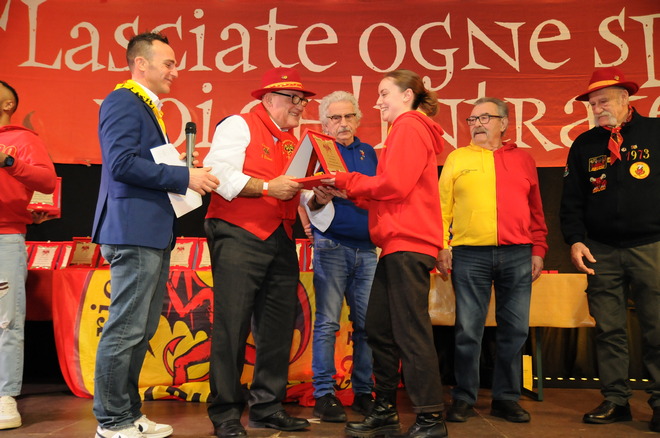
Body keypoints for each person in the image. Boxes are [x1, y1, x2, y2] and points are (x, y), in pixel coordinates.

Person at [91, 32, 219, 438]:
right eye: (168, 63)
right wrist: (184, 176)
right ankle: (111, 421)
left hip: (149, 231)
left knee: (141, 329)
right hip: (133, 229)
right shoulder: (123, 101)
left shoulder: (145, 107)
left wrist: (180, 166)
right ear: (140, 64)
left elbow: (140, 163)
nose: (174, 71)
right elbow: (121, 163)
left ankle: (128, 414)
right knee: (126, 328)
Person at [327, 69, 448, 438]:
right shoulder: (407, 128)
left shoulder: (409, 125)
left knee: (410, 331)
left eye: (384, 93)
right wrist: (350, 191)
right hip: (396, 244)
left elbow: (394, 185)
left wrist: (345, 180)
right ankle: (384, 410)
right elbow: (395, 191)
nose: (377, 102)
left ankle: (431, 417)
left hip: (409, 243)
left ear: (407, 95)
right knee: (379, 328)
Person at [203, 67, 312, 438]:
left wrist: (317, 196)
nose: (299, 106)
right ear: (268, 99)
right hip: (238, 233)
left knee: (278, 326)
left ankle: (267, 406)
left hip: (281, 236)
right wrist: (267, 187)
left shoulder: (295, 142)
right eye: (292, 98)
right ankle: (225, 412)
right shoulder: (239, 124)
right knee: (232, 325)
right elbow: (218, 174)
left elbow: (297, 192)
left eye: (302, 100)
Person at [560, 66, 660, 433]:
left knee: (657, 328)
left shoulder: (655, 133)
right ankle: (616, 400)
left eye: (603, 101)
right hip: (601, 250)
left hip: (651, 246)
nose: (597, 108)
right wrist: (575, 239)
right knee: (609, 329)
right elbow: (571, 200)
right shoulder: (585, 144)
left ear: (625, 99)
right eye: (592, 103)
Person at [437, 97, 548, 424]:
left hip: (518, 253)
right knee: (468, 330)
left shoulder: (524, 159)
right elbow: (441, 208)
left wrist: (538, 249)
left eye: (485, 118)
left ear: (504, 123)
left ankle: (506, 398)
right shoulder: (457, 158)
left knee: (515, 330)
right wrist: (442, 245)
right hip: (469, 254)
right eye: (472, 119)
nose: (477, 124)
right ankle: (463, 397)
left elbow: (536, 210)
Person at [297, 91, 378, 423]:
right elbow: (304, 198)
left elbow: (381, 194)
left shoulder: (370, 152)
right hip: (331, 245)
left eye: (348, 116)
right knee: (328, 323)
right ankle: (324, 394)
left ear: (358, 119)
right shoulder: (317, 152)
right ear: (324, 123)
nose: (342, 123)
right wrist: (317, 201)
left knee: (367, 326)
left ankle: (364, 393)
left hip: (368, 249)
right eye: (335, 117)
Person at [0, 80, 57, 430]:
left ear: (7, 104)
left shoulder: (22, 140)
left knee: (5, 320)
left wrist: (8, 160)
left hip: (4, 235)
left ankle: (4, 397)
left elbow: (47, 181)